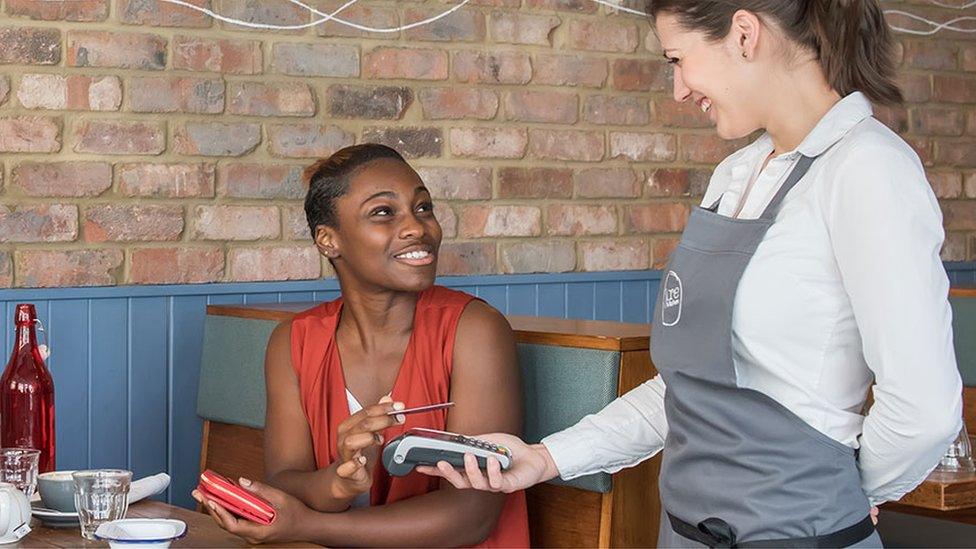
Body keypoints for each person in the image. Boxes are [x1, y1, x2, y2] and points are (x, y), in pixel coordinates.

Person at [420, 1, 964, 547]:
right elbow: (686, 392)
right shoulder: (737, 174)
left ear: (745, 35)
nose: (678, 88)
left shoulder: (868, 169)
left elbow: (926, 410)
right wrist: (544, 458)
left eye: (678, 58)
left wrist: (850, 492)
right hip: (682, 533)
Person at [192, 144, 530, 547]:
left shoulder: (475, 330)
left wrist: (308, 525)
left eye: (423, 208)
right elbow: (286, 481)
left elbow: (471, 515)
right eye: (384, 213)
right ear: (328, 240)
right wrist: (337, 482)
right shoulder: (294, 342)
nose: (418, 228)